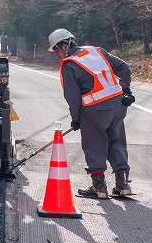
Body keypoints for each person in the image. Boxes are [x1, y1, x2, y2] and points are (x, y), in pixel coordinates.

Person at [48, 28, 135, 199]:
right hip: (118, 105)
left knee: (94, 144)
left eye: (56, 51)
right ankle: (123, 184)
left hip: (95, 109)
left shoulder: (69, 65)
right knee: (115, 142)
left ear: (64, 46)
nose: (57, 55)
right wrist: (126, 90)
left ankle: (99, 187)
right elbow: (123, 68)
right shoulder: (96, 51)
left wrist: (76, 118)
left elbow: (72, 97)